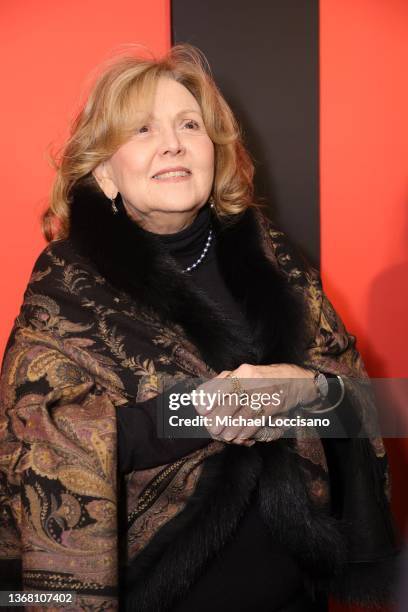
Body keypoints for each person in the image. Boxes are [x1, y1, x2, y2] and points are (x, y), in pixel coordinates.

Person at [0, 44, 400, 611]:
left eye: (190, 124)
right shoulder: (67, 284)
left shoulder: (276, 259)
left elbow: (363, 406)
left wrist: (307, 391)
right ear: (104, 172)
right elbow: (35, 440)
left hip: (294, 596)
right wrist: (198, 412)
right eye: (142, 129)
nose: (173, 142)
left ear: (216, 152)